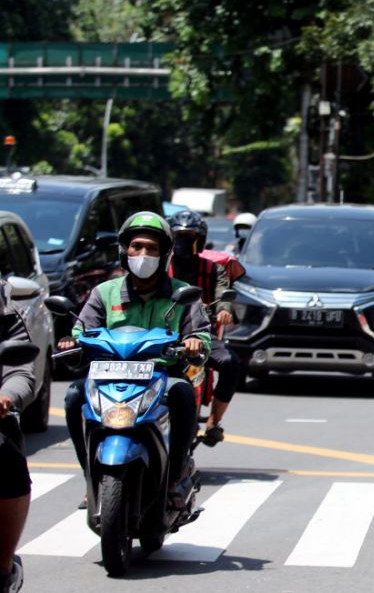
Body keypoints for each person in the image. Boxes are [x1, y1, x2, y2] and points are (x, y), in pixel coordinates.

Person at [59, 212, 210, 509]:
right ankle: (91, 475)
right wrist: (72, 341)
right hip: (106, 377)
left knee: (183, 395)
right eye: (137, 247)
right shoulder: (105, 292)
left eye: (152, 249)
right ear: (124, 251)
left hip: (161, 376)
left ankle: (174, 476)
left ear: (165, 254)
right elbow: (82, 328)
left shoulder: (181, 295)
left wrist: (194, 344)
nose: (143, 255)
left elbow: (203, 336)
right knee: (73, 396)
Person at [167, 209, 242, 445]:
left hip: (201, 333)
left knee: (231, 363)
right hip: (162, 333)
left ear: (200, 240)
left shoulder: (212, 269)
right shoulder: (159, 269)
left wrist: (224, 310)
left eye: (190, 237)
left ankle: (213, 421)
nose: (184, 242)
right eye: (179, 237)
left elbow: (224, 295)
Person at [0, 281, 36, 593]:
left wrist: (6, 396)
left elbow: (21, 372)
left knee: (5, 451)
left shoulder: (4, 309)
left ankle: (3, 567)